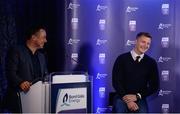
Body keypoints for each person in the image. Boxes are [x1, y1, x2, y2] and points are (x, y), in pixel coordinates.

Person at [3, 24, 48, 113]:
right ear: (33, 37)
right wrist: (20, 82)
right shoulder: (16, 51)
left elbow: (45, 76)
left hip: (37, 102)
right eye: (43, 37)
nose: (45, 40)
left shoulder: (41, 56)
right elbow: (10, 72)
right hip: (18, 101)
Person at [112, 32, 159, 113]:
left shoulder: (151, 62)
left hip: (140, 98)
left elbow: (155, 86)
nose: (145, 45)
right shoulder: (121, 59)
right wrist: (128, 100)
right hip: (121, 96)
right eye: (143, 42)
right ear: (136, 41)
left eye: (148, 43)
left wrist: (137, 96)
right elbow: (116, 81)